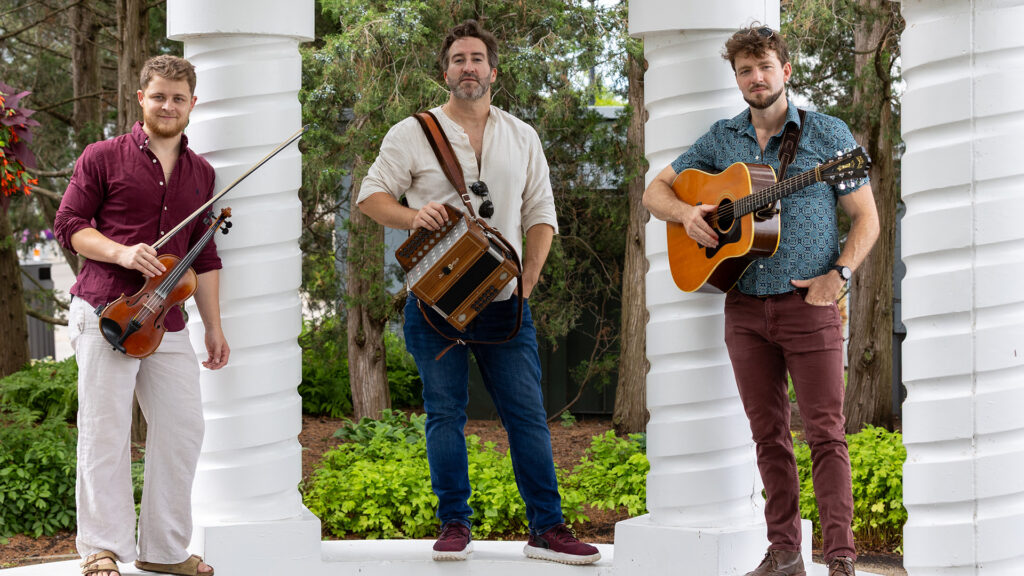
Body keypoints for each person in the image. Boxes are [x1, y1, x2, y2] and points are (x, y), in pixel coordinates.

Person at [357, 19, 600, 566]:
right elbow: (371, 197)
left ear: (494, 70)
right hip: (434, 305)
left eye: (477, 59)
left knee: (527, 415)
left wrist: (528, 276)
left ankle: (547, 529)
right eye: (459, 59)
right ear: (445, 71)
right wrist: (412, 213)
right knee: (445, 414)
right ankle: (453, 525)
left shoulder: (522, 135)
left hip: (504, 305)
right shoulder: (411, 132)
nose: (468, 67)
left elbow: (541, 212)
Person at [642, 25, 879, 576]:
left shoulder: (827, 135)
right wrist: (686, 215)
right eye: (746, 70)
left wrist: (838, 275)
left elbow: (867, 217)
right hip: (744, 308)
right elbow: (656, 189)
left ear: (786, 70)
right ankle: (785, 554)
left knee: (826, 433)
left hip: (809, 306)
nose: (757, 78)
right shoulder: (722, 138)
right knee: (768, 436)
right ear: (737, 78)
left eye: (765, 66)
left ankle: (840, 558)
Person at [54, 55, 226, 576]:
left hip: (168, 321)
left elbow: (206, 256)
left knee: (183, 429)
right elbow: (70, 225)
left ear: (192, 104)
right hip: (107, 310)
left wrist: (214, 327)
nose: (168, 106)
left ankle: (163, 550)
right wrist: (124, 253)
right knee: (104, 431)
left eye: (178, 98)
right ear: (141, 99)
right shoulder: (102, 156)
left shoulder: (202, 173)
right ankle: (101, 548)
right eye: (159, 96)